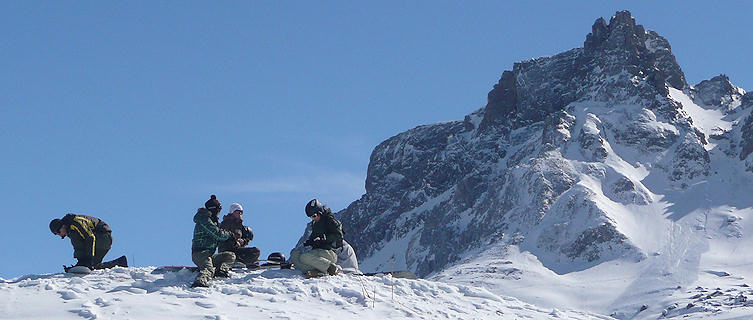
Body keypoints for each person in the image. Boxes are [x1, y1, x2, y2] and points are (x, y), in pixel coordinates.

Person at [49, 213, 127, 271]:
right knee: (93, 267)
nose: (60, 235)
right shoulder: (70, 229)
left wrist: (88, 259)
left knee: (89, 264)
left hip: (103, 237)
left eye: (58, 232)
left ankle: (83, 262)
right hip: (102, 240)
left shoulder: (75, 223)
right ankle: (120, 263)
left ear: (62, 226)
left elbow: (90, 237)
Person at [290, 199, 344, 278]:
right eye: (311, 217)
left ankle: (331, 268)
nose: (313, 218)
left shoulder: (329, 221)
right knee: (295, 255)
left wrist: (324, 238)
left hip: (329, 252)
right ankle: (317, 271)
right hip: (318, 253)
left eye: (314, 216)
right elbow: (314, 238)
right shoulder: (316, 224)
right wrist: (311, 242)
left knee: (304, 257)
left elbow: (338, 235)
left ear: (320, 212)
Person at [191, 195, 236, 288]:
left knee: (230, 256)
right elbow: (217, 234)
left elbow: (219, 236)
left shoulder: (212, 222)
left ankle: (221, 270)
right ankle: (200, 281)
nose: (219, 213)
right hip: (200, 253)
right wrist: (229, 235)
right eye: (219, 210)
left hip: (209, 255)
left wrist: (231, 239)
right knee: (208, 269)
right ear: (215, 210)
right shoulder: (204, 220)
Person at [218, 203, 261, 268]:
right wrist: (235, 242)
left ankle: (246, 262)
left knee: (254, 252)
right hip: (227, 251)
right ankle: (236, 262)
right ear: (232, 212)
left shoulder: (239, 226)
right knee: (255, 251)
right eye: (238, 212)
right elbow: (223, 238)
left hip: (236, 250)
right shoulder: (226, 223)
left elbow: (244, 239)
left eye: (241, 212)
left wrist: (243, 241)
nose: (240, 214)